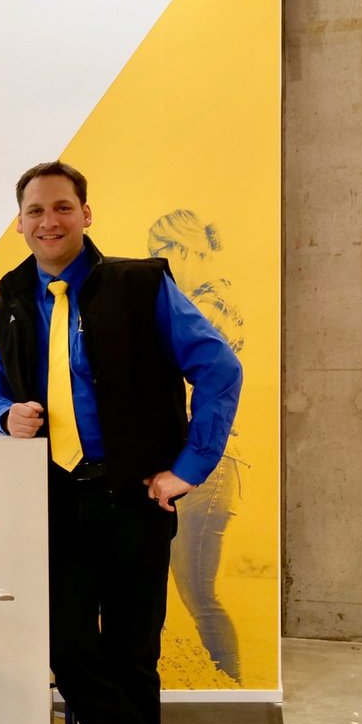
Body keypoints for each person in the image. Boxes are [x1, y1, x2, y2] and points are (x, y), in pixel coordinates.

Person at [0, 162, 241, 724]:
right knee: (68, 649)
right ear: (20, 222)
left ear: (86, 214)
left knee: (132, 655)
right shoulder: (10, 300)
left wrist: (189, 467)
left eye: (62, 207)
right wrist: (5, 414)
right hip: (55, 500)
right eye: (35, 210)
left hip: (133, 499)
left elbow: (220, 368)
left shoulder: (141, 284)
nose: (49, 221)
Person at [147, 209, 246, 684]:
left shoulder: (208, 303)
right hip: (189, 458)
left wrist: (189, 466)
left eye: (159, 253)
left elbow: (218, 375)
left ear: (184, 250)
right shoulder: (197, 298)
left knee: (198, 593)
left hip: (203, 463)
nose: (156, 264)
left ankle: (232, 684)